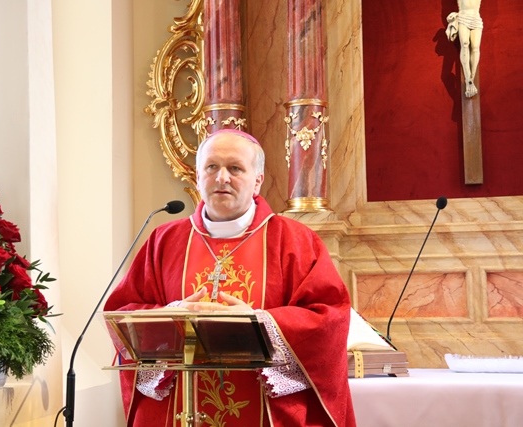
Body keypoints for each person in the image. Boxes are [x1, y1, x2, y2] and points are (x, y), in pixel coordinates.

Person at [104, 129, 356, 426]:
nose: (221, 177)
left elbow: (328, 319)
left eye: (235, 168)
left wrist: (259, 324)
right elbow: (125, 314)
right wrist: (175, 316)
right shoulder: (164, 241)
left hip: (266, 413)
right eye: (212, 167)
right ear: (198, 177)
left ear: (257, 181)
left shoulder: (295, 241)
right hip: (179, 412)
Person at [446, 0, 483, 98]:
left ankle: (471, 79)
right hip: (463, 17)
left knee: (475, 47)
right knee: (465, 44)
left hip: (476, 18)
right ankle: (468, 80)